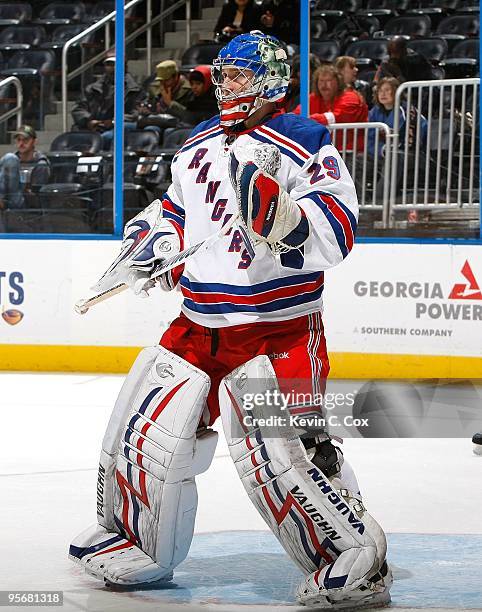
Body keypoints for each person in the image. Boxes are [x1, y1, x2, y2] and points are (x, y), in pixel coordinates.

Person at [69, 32, 392, 609]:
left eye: (235, 77)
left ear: (268, 80)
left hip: (279, 326)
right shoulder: (194, 145)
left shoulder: (305, 138)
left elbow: (338, 226)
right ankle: (137, 539)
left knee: (289, 449)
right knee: (150, 435)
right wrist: (155, 242)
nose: (223, 88)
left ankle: (350, 556)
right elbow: (171, 209)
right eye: (220, 77)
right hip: (198, 324)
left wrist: (285, 216)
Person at [367, 77, 428, 200]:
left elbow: (410, 141)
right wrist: (381, 149)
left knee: (394, 156)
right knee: (357, 160)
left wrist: (388, 150)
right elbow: (369, 139)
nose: (383, 94)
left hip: (409, 154)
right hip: (382, 154)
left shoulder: (407, 111)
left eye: (387, 90)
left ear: (396, 92)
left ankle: (380, 201)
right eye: (380, 90)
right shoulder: (373, 113)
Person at [71, 51, 142, 150]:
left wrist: (114, 121)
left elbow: (136, 113)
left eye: (115, 64)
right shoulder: (91, 88)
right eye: (109, 64)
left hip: (117, 128)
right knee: (73, 137)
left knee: (108, 136)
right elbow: (78, 109)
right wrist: (89, 121)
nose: (112, 68)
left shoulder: (135, 90)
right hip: (93, 127)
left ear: (125, 66)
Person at [294, 64, 368, 152]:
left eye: (328, 80)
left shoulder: (351, 97)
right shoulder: (313, 98)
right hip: (325, 152)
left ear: (338, 82)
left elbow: (337, 116)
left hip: (352, 152)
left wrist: (304, 120)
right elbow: (296, 115)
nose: (324, 85)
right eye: (321, 81)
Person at [0, 125, 50, 212]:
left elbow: (38, 198)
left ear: (34, 142)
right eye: (19, 140)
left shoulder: (40, 163)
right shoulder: (11, 160)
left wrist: (27, 189)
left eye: (25, 140)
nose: (21, 143)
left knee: (9, 158)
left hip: (25, 205)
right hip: (7, 199)